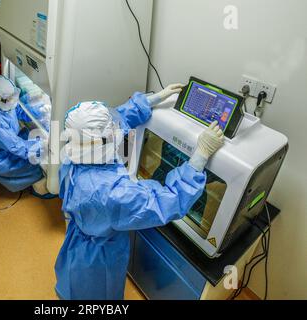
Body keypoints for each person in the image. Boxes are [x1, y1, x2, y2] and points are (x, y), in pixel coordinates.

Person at [55, 84, 225, 300]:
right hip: (99, 256)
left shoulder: (72, 153)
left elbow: (114, 120)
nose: (118, 128)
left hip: (78, 241)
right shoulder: (112, 194)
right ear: (103, 141)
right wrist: (200, 156)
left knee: (73, 282)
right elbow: (167, 201)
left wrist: (151, 100)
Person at [0, 75, 48, 194]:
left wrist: (39, 111)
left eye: (14, 97)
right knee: (37, 165)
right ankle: (36, 189)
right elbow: (17, 147)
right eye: (9, 99)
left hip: (3, 146)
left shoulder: (0, 103)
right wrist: (43, 144)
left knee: (30, 139)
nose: (13, 101)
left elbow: (19, 111)